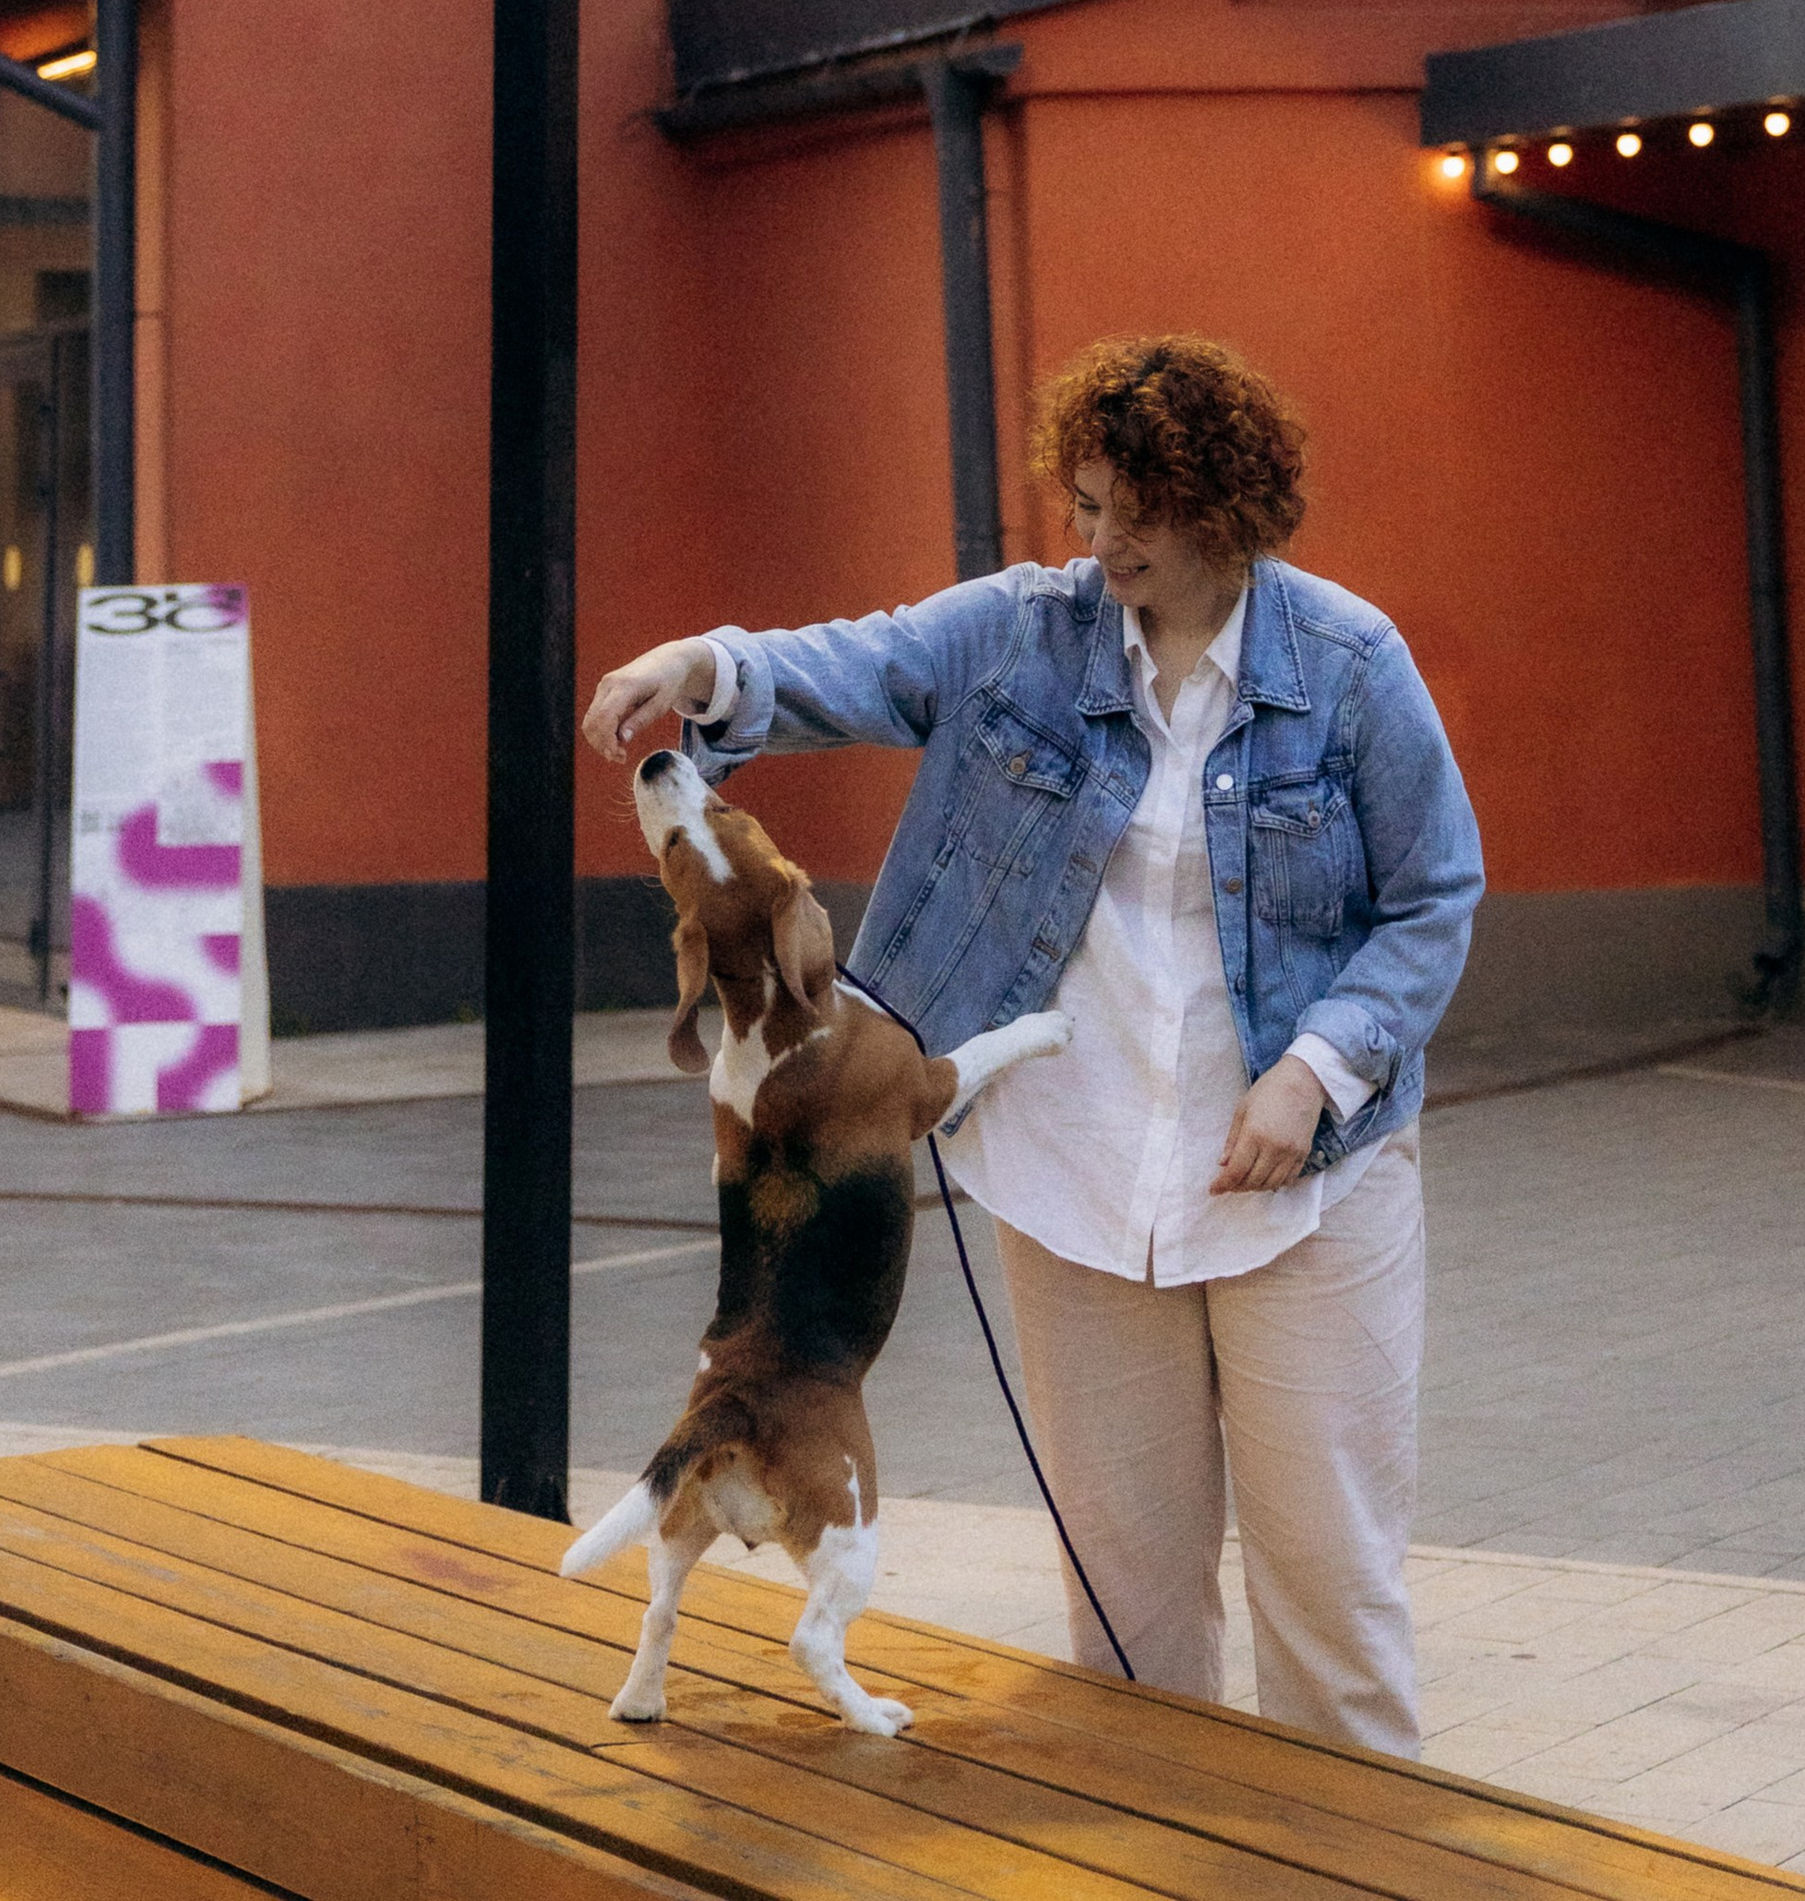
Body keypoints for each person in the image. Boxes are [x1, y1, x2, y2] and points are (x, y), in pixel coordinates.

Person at [582, 331, 1481, 1755]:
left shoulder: (1352, 663)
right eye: (1088, 504)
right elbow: (859, 662)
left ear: (1224, 504)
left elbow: (1436, 895)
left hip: (1304, 1187)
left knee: (1335, 1604)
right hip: (1076, 1180)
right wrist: (702, 666)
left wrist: (1317, 1070)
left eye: (1138, 509)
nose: (1104, 538)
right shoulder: (1024, 631)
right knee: (1126, 1623)